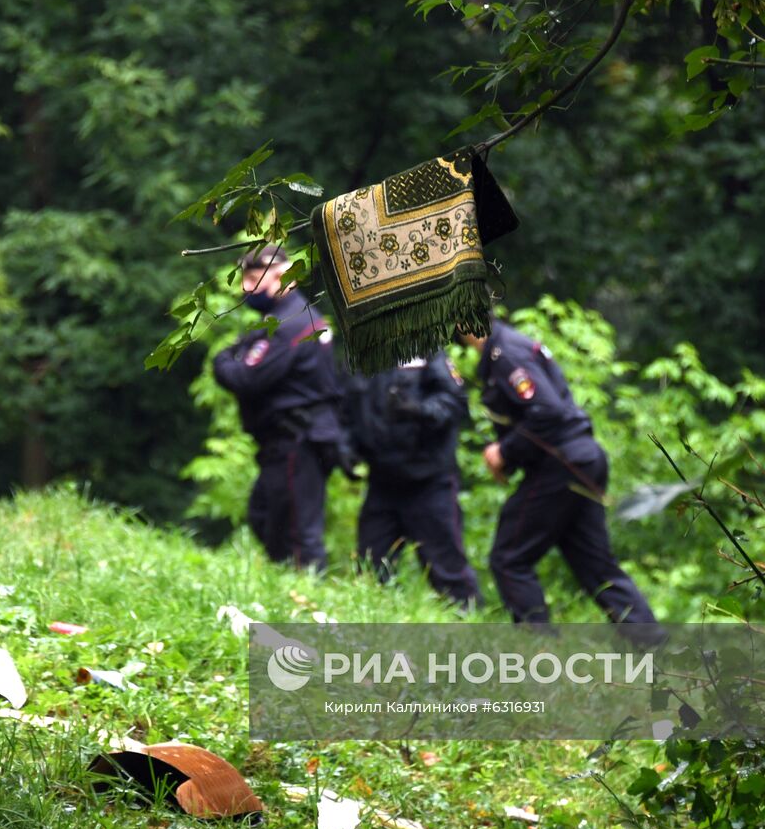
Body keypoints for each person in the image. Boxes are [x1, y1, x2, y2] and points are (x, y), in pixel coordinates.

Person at [465, 322, 658, 626]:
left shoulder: (506, 354)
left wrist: (504, 452)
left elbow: (549, 411)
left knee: (509, 558)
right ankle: (653, 647)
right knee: (595, 566)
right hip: (581, 457)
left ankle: (539, 652)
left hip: (562, 463)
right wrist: (509, 456)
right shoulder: (503, 351)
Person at [212, 246, 344, 571]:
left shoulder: (292, 324)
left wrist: (222, 359)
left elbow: (245, 377)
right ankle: (288, 591)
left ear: (283, 277)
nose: (246, 288)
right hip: (288, 441)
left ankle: (311, 608)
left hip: (298, 440)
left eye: (254, 279)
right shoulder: (286, 320)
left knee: (299, 534)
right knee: (266, 517)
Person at [341, 351, 483, 608]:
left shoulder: (427, 352)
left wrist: (418, 410)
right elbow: (347, 409)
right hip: (382, 482)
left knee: (448, 569)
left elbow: (454, 402)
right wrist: (347, 448)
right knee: (370, 568)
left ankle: (472, 632)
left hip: (429, 482)